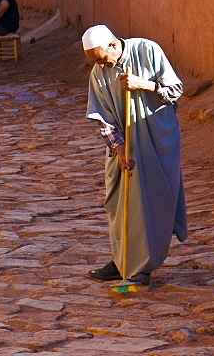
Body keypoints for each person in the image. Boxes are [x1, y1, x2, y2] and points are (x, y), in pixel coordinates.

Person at [83, 24, 187, 286]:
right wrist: (119, 149)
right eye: (93, 60)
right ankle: (122, 261)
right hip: (125, 146)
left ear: (114, 46)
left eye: (100, 57)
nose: (98, 64)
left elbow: (175, 91)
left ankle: (143, 266)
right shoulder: (98, 73)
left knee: (151, 202)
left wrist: (145, 85)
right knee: (117, 202)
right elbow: (104, 119)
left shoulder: (148, 50)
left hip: (157, 140)